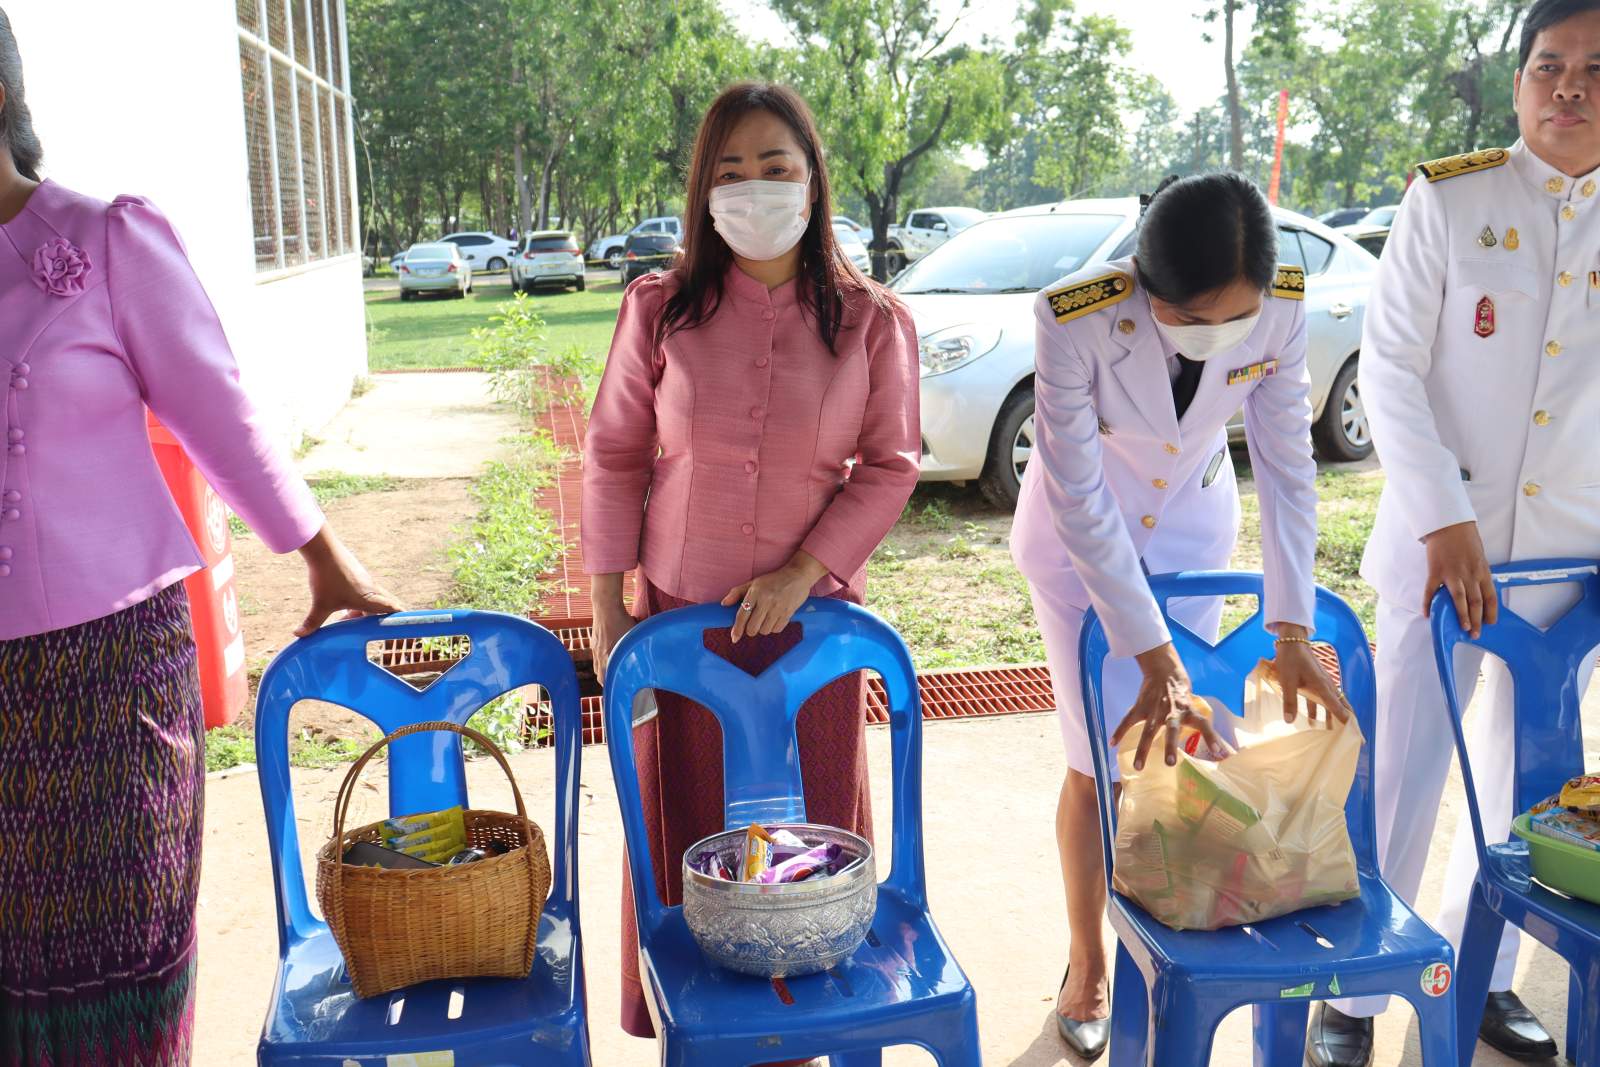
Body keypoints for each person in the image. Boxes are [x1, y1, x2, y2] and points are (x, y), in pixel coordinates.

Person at [0, 11, 400, 1064]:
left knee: (116, 976)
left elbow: (217, 410)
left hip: (106, 681)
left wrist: (322, 555)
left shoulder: (103, 239)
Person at [580, 82, 920, 1049]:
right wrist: (608, 607)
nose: (754, 188)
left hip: (812, 637)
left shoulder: (871, 321)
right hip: (679, 626)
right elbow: (614, 454)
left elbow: (890, 467)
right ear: (703, 190)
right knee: (689, 839)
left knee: (812, 842)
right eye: (730, 171)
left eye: (775, 167)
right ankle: (707, 1040)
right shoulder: (659, 308)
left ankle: (804, 1032)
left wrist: (803, 571)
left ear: (813, 181)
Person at [1313, 1, 1600, 1063]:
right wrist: (1444, 517)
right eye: (1548, 64)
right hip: (1442, 554)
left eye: (1594, 67)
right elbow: (1388, 366)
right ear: (1519, 82)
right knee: (1401, 773)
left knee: (1529, 790)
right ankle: (1352, 996)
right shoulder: (1448, 196)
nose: (1569, 86)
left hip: (1569, 558)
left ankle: (1482, 974)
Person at [1011, 171, 1348, 1061]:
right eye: (1191, 318)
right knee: (1098, 759)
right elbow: (1077, 493)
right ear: (1143, 281)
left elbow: (1287, 465)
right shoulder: (1073, 315)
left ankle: (1169, 941)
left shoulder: (1281, 304)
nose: (1217, 334)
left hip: (1193, 536)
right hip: (1080, 556)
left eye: (1235, 317)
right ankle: (1089, 961)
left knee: (1179, 753)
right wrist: (1149, 647)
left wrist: (1291, 625)